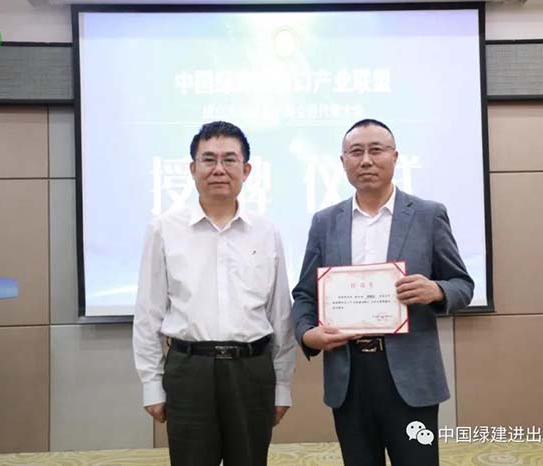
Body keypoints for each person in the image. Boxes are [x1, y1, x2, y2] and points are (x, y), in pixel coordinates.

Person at [292, 119, 474, 466]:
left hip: (411, 376)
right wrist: (307, 334)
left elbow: (462, 285)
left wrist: (436, 290)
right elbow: (304, 294)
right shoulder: (325, 222)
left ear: (395, 156)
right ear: (342, 161)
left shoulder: (427, 215)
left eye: (376, 150)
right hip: (349, 375)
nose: (366, 160)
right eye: (355, 152)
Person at [133, 121, 296, 466]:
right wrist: (151, 383)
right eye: (208, 159)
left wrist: (282, 384)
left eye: (229, 159)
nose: (218, 169)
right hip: (189, 370)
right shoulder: (164, 229)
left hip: (251, 370)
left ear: (246, 170)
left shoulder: (266, 231)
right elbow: (148, 312)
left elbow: (280, 315)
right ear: (192, 169)